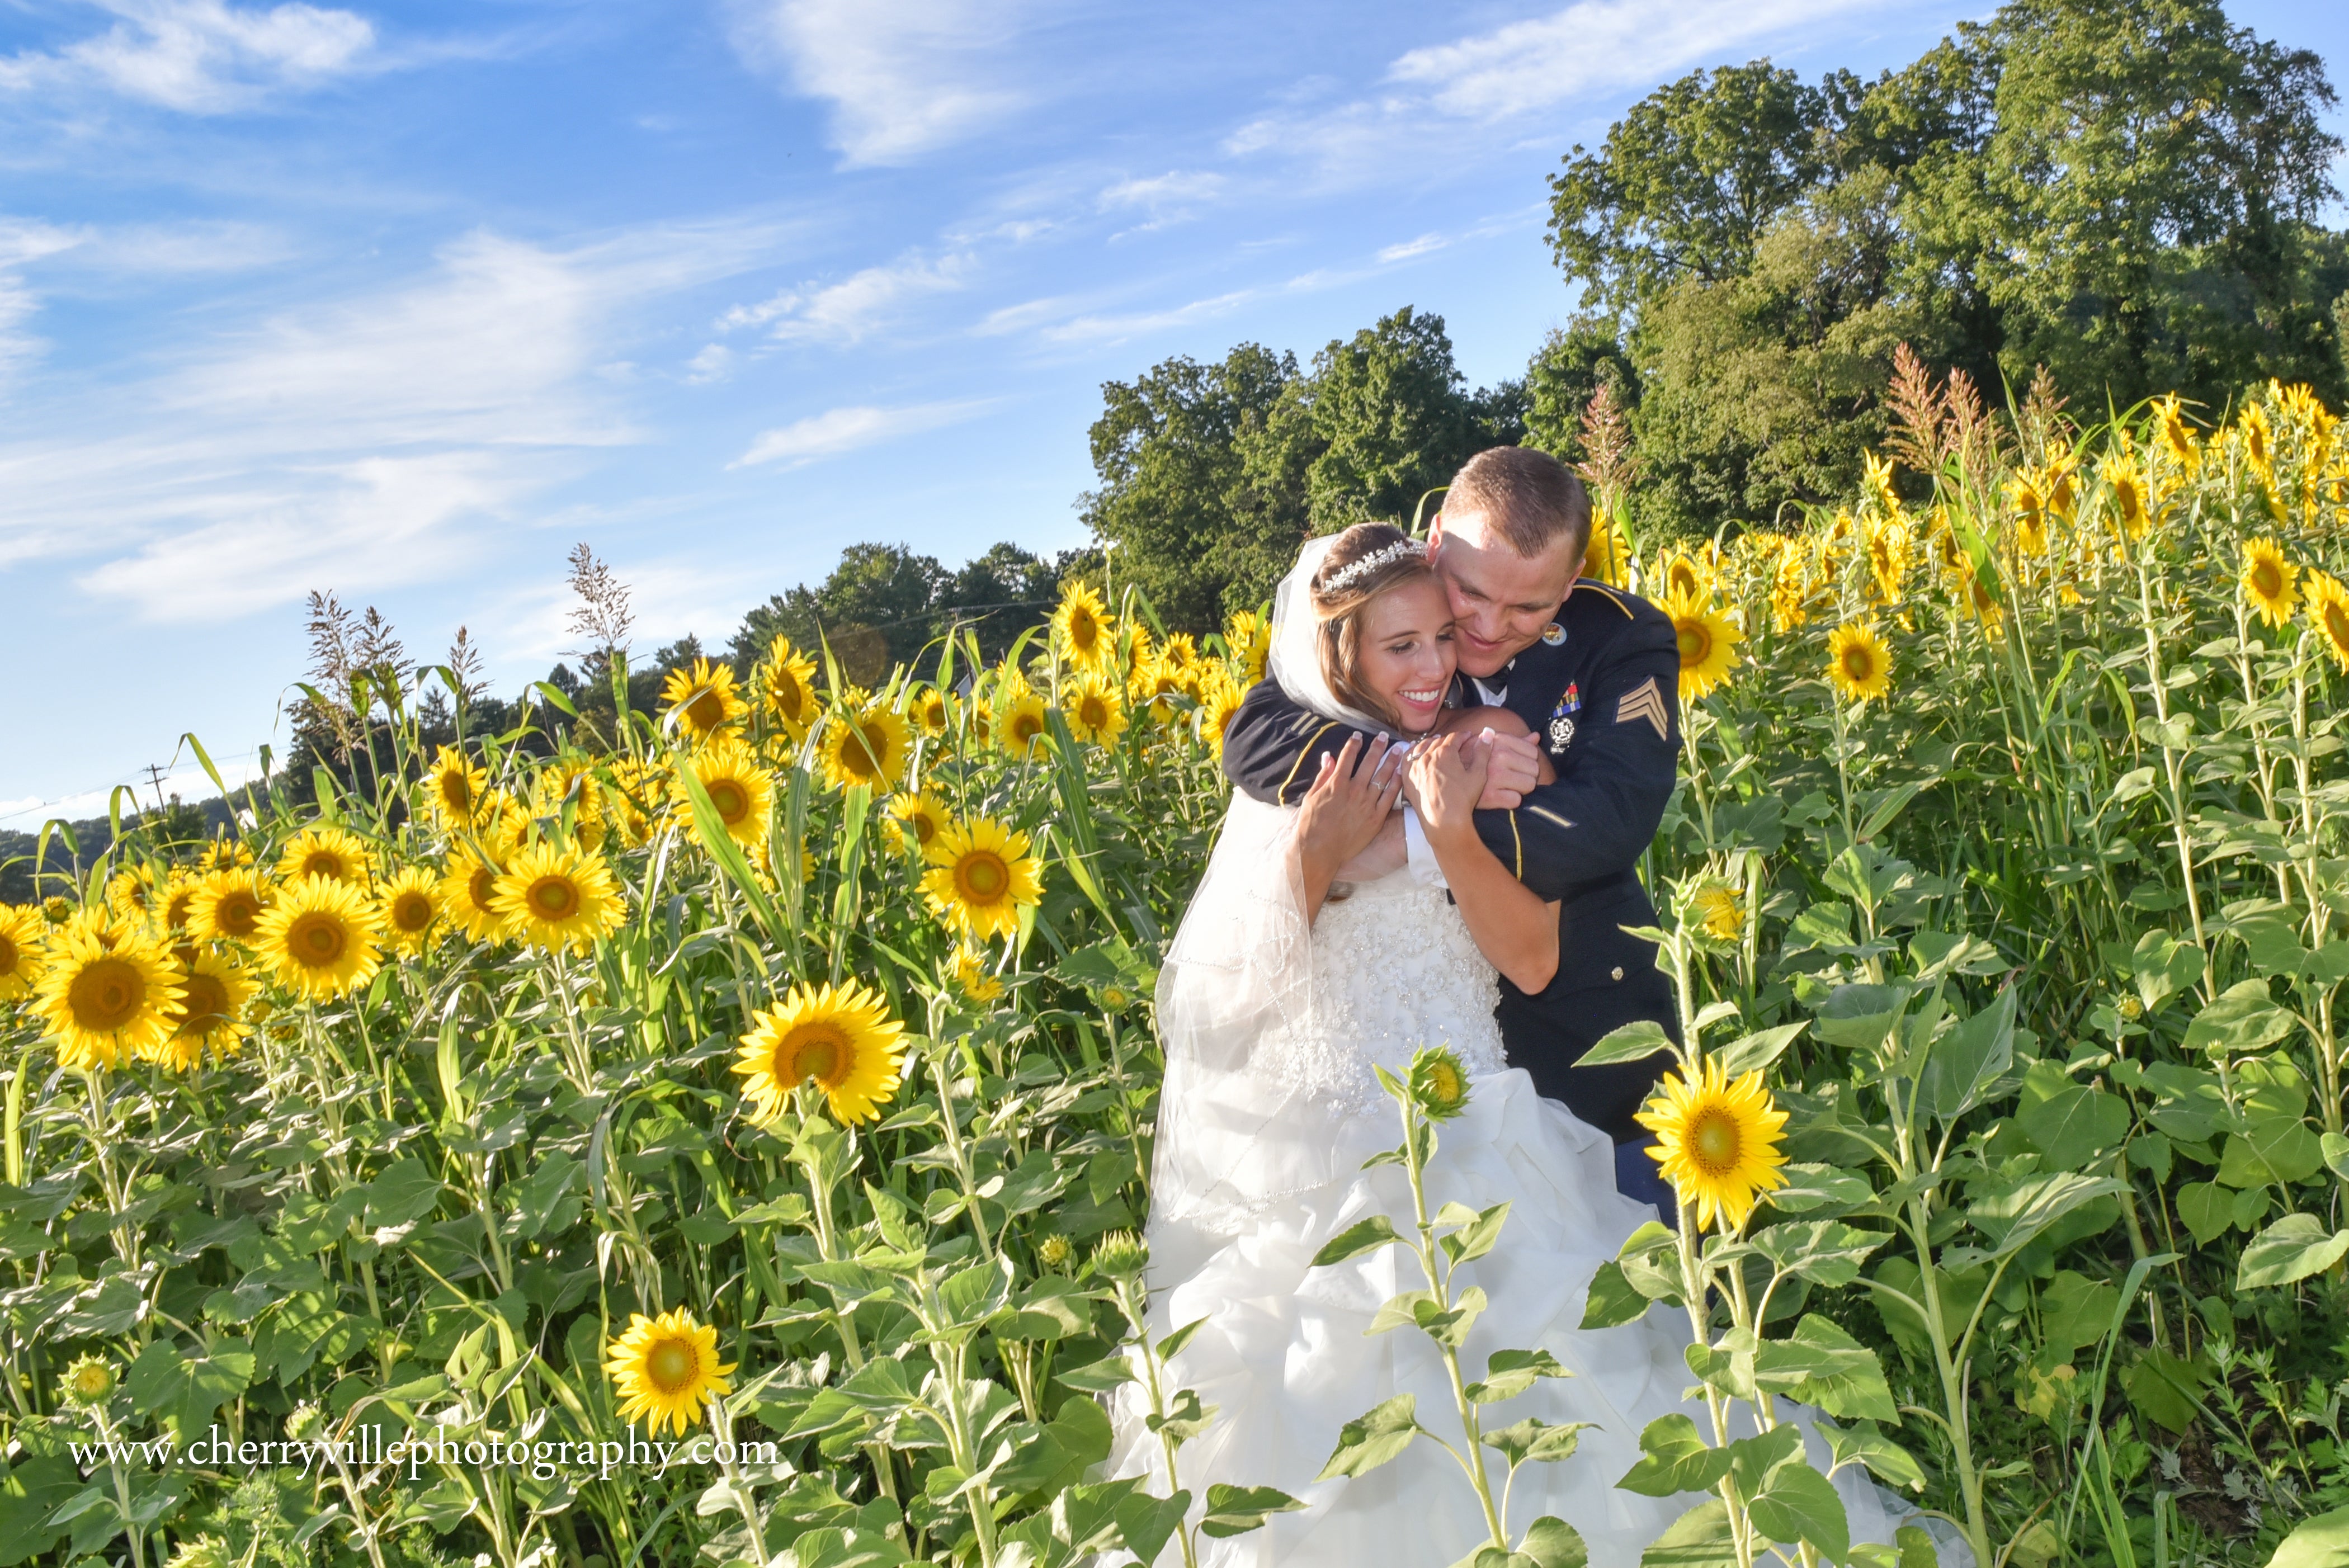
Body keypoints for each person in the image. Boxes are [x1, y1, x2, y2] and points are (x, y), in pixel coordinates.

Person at [1111, 523, 1899, 1564]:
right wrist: (1322, 848)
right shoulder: (1300, 774)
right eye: (1404, 646)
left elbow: (1531, 958)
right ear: (1340, 652)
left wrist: (1445, 825)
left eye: (1446, 634)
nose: (1440, 661)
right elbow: (1221, 1002)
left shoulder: (1485, 741)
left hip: (1482, 1120)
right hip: (1332, 1143)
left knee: (1557, 1375)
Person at [1218, 446, 1682, 1218]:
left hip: (1589, 1041)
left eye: (1530, 608)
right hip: (1427, 1055)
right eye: (1470, 593)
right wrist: (1419, 772)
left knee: (1652, 1292)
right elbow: (1256, 735)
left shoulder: (1620, 640)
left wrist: (1407, 841)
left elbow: (1604, 826)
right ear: (1436, 544)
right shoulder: (1391, 612)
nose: (1489, 627)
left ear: (1571, 585)